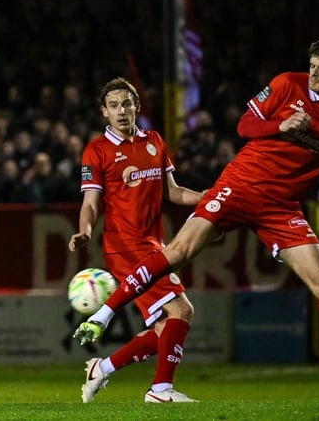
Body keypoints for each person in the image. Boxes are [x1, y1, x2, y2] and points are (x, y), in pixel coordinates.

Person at [73, 37, 319, 407]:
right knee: (179, 252)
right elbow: (246, 127)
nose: (313, 73)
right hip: (240, 186)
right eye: (311, 65)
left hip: (281, 206)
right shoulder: (286, 84)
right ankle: (104, 316)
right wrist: (281, 125)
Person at [69, 77, 206, 404]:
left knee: (164, 331)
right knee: (181, 310)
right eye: (113, 105)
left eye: (126, 104)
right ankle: (160, 390)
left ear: (136, 107)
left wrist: (209, 198)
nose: (121, 110)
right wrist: (86, 230)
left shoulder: (155, 141)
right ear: (104, 112)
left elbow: (174, 192)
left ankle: (102, 368)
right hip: (125, 247)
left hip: (154, 244)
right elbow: (90, 201)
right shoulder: (97, 150)